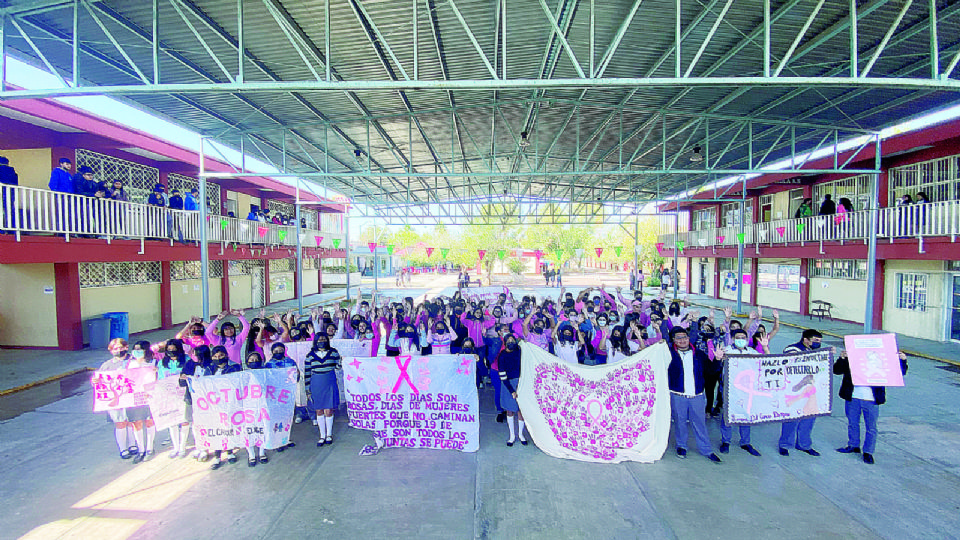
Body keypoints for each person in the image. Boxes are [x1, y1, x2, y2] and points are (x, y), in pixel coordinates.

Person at [833, 349, 908, 464]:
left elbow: (899, 373)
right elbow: (837, 370)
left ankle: (868, 452)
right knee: (853, 423)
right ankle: (853, 445)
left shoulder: (881, 364)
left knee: (871, 427)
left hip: (871, 400)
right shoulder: (852, 359)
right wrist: (842, 358)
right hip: (853, 397)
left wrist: (902, 360)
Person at [667, 327, 722, 463]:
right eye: (678, 338)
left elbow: (710, 370)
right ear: (673, 340)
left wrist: (717, 359)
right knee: (680, 422)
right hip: (677, 394)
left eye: (684, 337)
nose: (682, 340)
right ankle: (682, 446)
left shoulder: (699, 354)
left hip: (697, 395)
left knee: (699, 423)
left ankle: (706, 449)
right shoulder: (668, 354)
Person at [712, 329, 763, 457]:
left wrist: (766, 348)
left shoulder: (751, 352)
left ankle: (745, 442)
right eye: (738, 337)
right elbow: (716, 366)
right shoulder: (726, 350)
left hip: (747, 390)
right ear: (733, 339)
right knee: (728, 416)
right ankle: (725, 441)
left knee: (746, 415)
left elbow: (764, 362)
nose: (741, 339)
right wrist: (718, 359)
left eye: (743, 337)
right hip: (729, 389)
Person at [778, 329, 825, 457]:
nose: (818, 344)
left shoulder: (813, 352)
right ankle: (784, 444)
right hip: (794, 390)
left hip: (810, 391)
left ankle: (804, 444)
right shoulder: (792, 349)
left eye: (819, 341)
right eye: (815, 341)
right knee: (791, 418)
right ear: (805, 339)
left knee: (809, 417)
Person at [98, 338, 139, 460]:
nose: (118, 350)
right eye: (115, 348)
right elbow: (99, 381)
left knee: (132, 421)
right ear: (110, 350)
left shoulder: (134, 361)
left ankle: (133, 445)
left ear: (126, 347)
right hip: (116, 398)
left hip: (131, 396)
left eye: (121, 347)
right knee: (120, 423)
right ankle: (123, 449)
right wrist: (95, 381)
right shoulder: (106, 365)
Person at [207, 346, 242, 470]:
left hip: (230, 402)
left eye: (221, 356)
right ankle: (217, 456)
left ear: (226, 355)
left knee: (228, 428)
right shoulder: (209, 369)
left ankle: (230, 452)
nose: (218, 358)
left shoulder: (235, 367)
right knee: (217, 429)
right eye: (215, 357)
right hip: (214, 404)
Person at [304, 333, 341, 447]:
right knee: (319, 410)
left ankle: (329, 435)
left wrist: (342, 361)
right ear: (315, 341)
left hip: (329, 382)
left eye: (324, 339)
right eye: (319, 339)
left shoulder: (333, 352)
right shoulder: (310, 355)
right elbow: (307, 373)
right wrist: (307, 390)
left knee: (329, 410)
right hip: (316, 383)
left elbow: (338, 367)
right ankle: (322, 436)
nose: (322, 341)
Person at [126, 340, 158, 463]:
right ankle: (141, 449)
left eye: (140, 349)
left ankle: (149, 448)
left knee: (149, 422)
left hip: (149, 397)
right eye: (135, 349)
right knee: (136, 423)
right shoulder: (129, 364)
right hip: (134, 398)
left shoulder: (153, 363)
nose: (137, 352)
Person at [497, 333, 527, 446]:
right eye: (508, 340)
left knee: (520, 410)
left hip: (520, 382)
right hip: (508, 384)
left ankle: (521, 434)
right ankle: (512, 436)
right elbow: (502, 375)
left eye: (512, 340)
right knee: (510, 410)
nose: (511, 342)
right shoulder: (502, 356)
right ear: (505, 343)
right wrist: (511, 390)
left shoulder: (519, 352)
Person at [0, 156, 19, 231]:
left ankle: (2, 229)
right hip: (10, 193)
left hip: (1, 192)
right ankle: (11, 229)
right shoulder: (12, 172)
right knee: (9, 210)